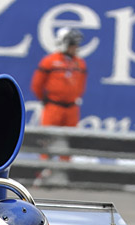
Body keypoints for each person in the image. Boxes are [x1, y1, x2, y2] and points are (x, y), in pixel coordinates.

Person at [31, 28, 87, 162]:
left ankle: (64, 172)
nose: (75, 48)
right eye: (73, 44)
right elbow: (37, 84)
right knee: (47, 141)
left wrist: (73, 97)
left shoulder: (80, 63)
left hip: (72, 108)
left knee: (68, 143)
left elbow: (81, 85)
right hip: (53, 106)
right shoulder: (49, 61)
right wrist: (45, 99)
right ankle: (44, 170)